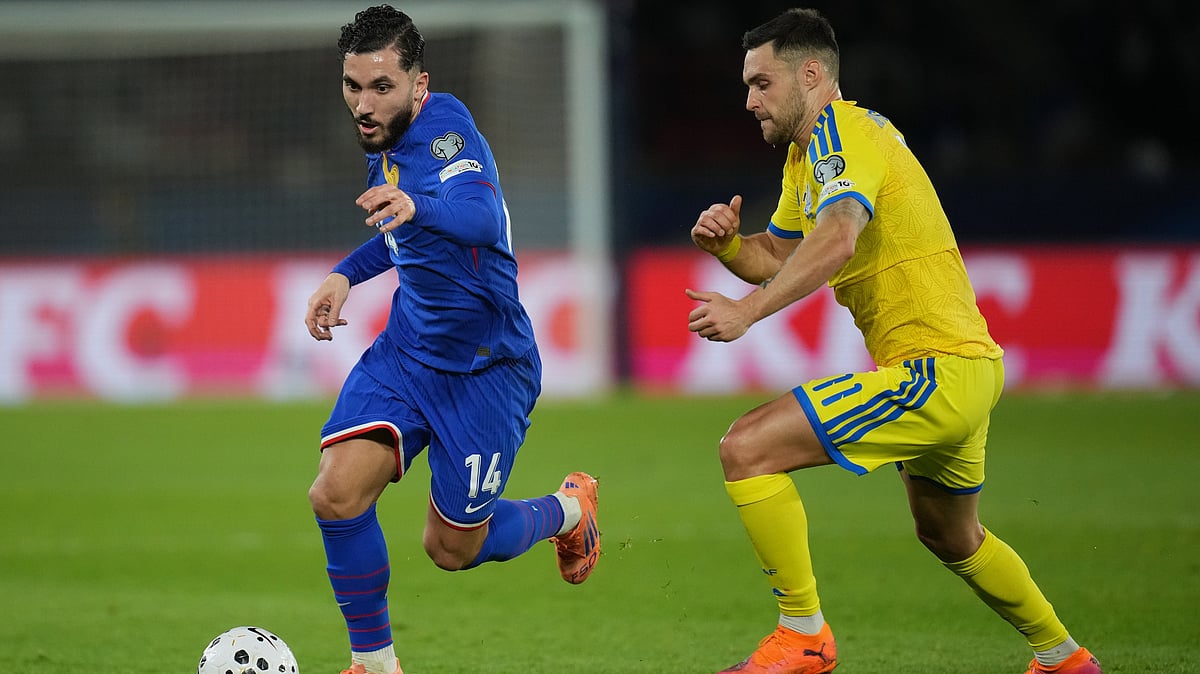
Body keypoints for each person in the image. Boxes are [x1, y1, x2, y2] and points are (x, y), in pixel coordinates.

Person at [685, 8, 1100, 674]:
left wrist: (749, 313)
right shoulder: (806, 158)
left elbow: (838, 237)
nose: (750, 101)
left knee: (746, 448)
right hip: (965, 371)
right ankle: (1063, 657)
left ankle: (803, 634)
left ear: (811, 74)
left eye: (762, 83)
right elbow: (782, 255)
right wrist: (731, 246)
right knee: (950, 534)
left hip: (935, 371)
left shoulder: (841, 134)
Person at [303, 6, 600, 674]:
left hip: (487, 371)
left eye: (382, 87)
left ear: (420, 85)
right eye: (353, 86)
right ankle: (374, 663)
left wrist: (418, 205)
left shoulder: (444, 132)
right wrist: (345, 275)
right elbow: (402, 235)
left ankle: (568, 510)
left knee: (451, 549)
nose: (364, 104)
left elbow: (479, 215)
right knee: (335, 494)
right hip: (408, 353)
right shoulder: (385, 141)